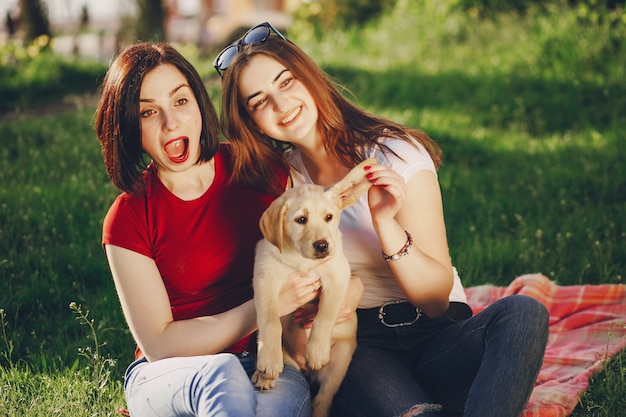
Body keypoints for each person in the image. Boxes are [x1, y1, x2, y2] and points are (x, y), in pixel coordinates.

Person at [215, 22, 550, 417]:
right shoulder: (283, 184)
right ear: (252, 121)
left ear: (308, 76)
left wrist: (386, 223)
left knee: (525, 313)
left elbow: (436, 301)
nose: (280, 104)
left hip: (437, 335)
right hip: (361, 344)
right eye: (258, 101)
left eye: (286, 82)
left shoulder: (393, 153)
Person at [95, 41, 319, 417]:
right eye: (148, 112)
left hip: (266, 365)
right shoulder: (128, 217)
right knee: (221, 373)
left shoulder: (261, 170)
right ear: (128, 128)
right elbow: (161, 346)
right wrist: (263, 307)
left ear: (199, 104)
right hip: (169, 375)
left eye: (180, 101)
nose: (171, 123)